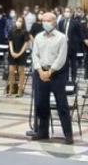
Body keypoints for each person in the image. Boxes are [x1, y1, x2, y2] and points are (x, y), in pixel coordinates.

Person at [30, 12, 74, 144]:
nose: (46, 23)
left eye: (48, 20)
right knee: (41, 103)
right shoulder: (38, 37)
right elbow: (35, 55)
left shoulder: (61, 38)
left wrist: (50, 71)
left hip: (56, 74)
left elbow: (61, 57)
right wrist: (39, 70)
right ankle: (43, 131)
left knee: (62, 104)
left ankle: (68, 134)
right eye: (43, 20)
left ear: (54, 22)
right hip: (40, 72)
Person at [7, 22, 31, 97]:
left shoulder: (25, 32)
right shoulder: (11, 31)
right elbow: (10, 42)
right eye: (18, 21)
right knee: (11, 71)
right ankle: (11, 89)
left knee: (21, 71)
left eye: (21, 21)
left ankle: (20, 90)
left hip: (22, 53)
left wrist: (19, 53)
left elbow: (26, 44)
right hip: (12, 53)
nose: (19, 23)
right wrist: (12, 52)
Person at [59, 8, 82, 83]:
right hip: (63, 46)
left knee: (73, 64)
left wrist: (74, 41)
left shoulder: (75, 22)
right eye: (65, 11)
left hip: (72, 46)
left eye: (68, 12)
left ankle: (73, 79)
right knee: (64, 64)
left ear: (71, 13)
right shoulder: (61, 22)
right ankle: (65, 79)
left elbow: (79, 34)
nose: (66, 13)